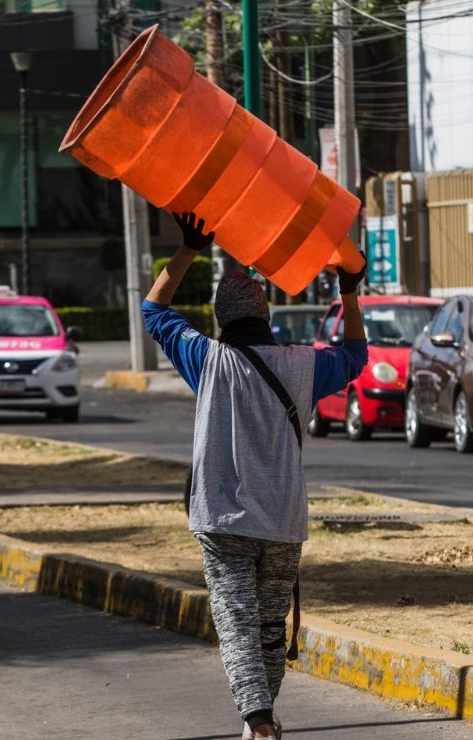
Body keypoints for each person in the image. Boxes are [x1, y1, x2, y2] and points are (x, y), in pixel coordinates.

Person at [142, 212, 368, 740]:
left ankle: (259, 723)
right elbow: (356, 355)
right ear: (266, 316)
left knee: (237, 624)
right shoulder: (304, 365)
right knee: (268, 627)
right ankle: (261, 721)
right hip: (283, 522)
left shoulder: (206, 358)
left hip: (223, 521)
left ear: (221, 319)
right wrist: (349, 293)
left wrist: (188, 249)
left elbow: (154, 311)